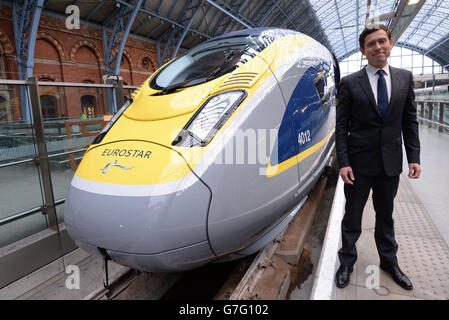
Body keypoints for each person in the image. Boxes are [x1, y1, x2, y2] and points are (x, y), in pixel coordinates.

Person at [335, 24, 421, 290]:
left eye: (382, 41)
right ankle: (347, 261)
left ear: (391, 43)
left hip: (390, 163)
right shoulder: (349, 83)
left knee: (386, 215)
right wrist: (344, 162)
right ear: (363, 50)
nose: (378, 47)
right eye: (371, 44)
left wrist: (414, 157)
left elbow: (410, 121)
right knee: (352, 215)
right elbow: (341, 126)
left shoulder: (405, 78)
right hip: (358, 164)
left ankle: (389, 262)